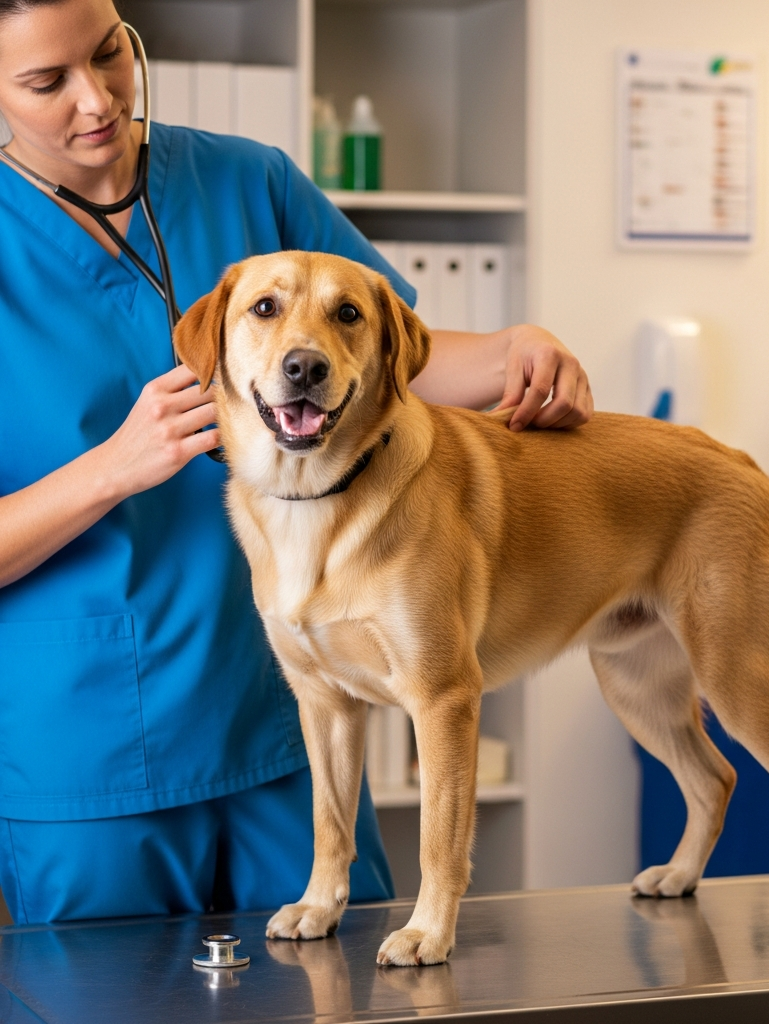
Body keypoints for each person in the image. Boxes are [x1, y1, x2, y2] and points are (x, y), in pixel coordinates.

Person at [0, 0, 593, 926]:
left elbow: (390, 356)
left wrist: (518, 349)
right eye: (47, 82)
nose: (98, 99)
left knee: (348, 988)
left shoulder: (246, 180)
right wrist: (113, 467)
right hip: (92, 752)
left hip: (288, 720)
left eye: (109, 53)